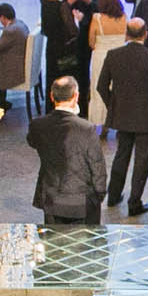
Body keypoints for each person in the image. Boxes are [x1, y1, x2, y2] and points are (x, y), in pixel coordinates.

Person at [96, 19, 148, 216]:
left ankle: (113, 195)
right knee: (142, 160)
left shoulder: (113, 55)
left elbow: (101, 86)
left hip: (122, 114)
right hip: (147, 116)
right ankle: (134, 202)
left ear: (126, 34)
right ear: (146, 34)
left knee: (121, 155)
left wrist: (113, 105)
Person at [28, 77, 107, 225]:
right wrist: (99, 195)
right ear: (75, 96)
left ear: (52, 96)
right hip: (82, 202)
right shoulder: (86, 129)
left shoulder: (37, 125)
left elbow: (32, 142)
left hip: (51, 198)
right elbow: (97, 166)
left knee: (53, 238)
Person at [84, 0, 130, 131]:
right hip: (120, 57)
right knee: (118, 89)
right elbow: (126, 38)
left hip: (101, 57)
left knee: (99, 88)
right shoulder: (124, 17)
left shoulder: (97, 18)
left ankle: (101, 122)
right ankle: (118, 120)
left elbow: (91, 42)